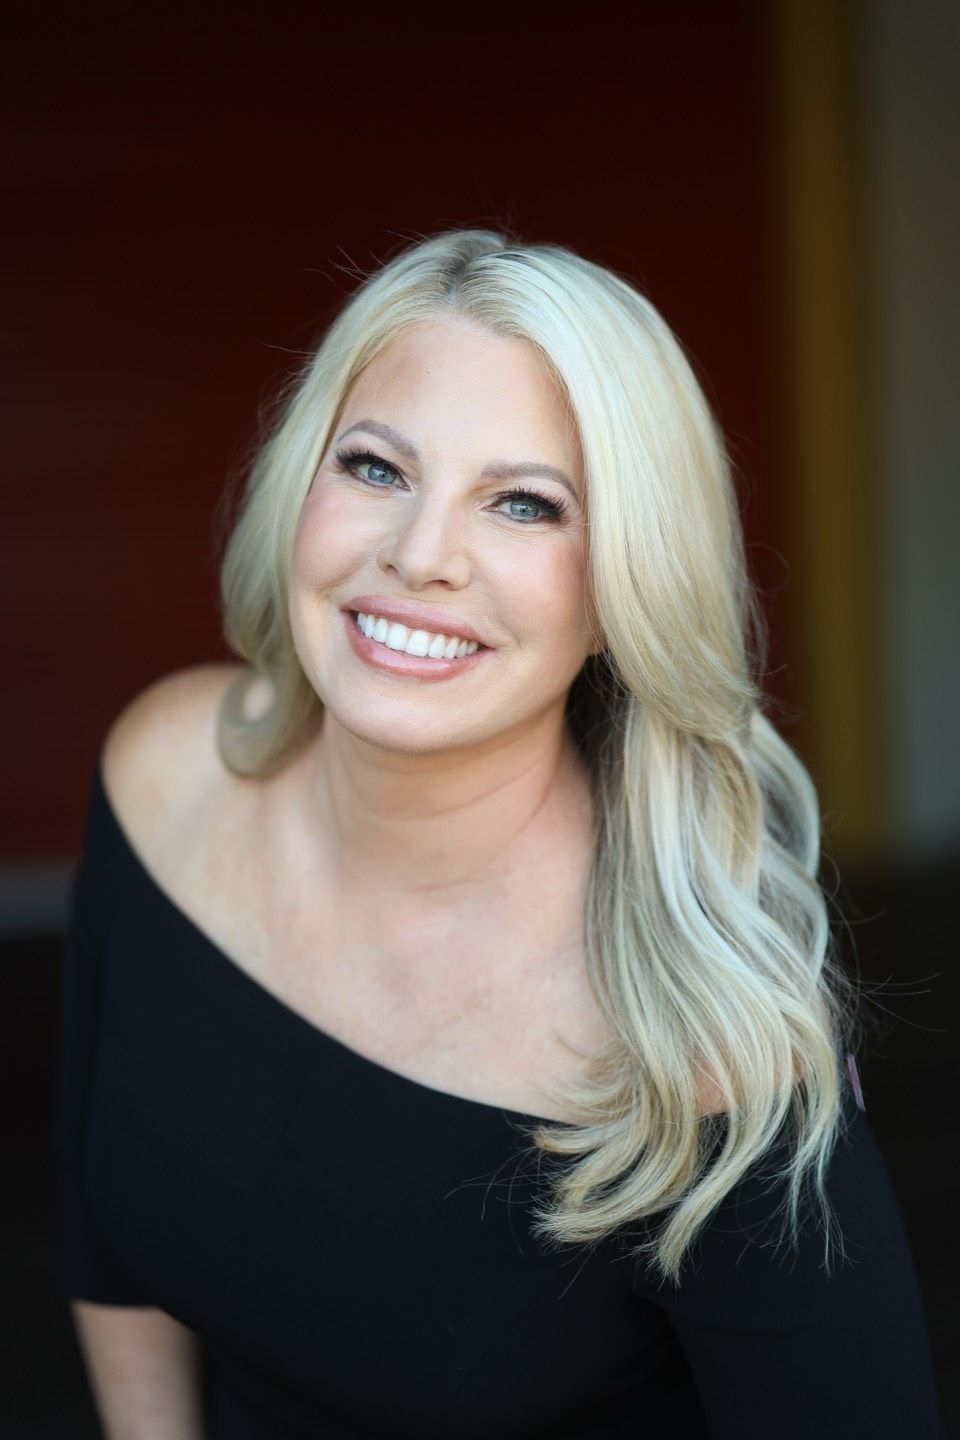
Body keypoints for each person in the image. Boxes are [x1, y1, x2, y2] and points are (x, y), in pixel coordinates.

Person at [53, 228, 944, 1438]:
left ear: (625, 590)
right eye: (375, 468)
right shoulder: (168, 777)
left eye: (524, 504)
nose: (419, 557)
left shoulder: (701, 1048)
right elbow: (104, 1227)